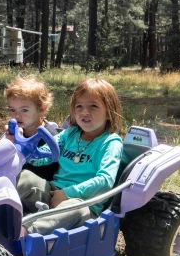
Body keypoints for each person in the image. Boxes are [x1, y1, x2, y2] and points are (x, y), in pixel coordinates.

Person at [17, 78, 123, 235]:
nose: (84, 112)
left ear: (109, 112)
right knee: (24, 177)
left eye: (93, 106)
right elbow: (45, 155)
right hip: (53, 192)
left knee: (75, 209)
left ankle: (24, 232)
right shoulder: (70, 134)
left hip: (84, 203)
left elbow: (105, 181)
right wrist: (26, 151)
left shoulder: (110, 142)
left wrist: (67, 194)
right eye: (79, 106)